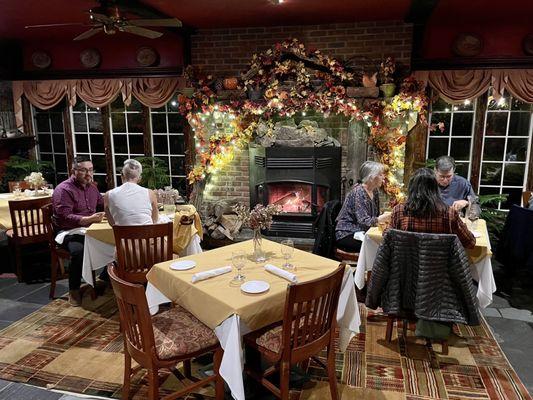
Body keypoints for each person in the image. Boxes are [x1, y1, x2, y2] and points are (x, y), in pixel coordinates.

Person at [52, 156, 104, 306]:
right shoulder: (64, 190)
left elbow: (101, 205)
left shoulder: (92, 187)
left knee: (115, 240)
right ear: (73, 170)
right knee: (78, 251)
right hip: (68, 231)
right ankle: (73, 289)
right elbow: (65, 217)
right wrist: (88, 220)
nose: (88, 174)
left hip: (89, 229)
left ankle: (105, 279)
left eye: (91, 170)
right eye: (83, 170)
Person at [390, 168, 475, 249]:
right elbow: (470, 242)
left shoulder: (399, 210)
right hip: (441, 263)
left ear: (411, 188)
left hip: (406, 263)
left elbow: (388, 237)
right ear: (435, 188)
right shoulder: (449, 213)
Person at [335, 161, 391, 252]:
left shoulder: (374, 191)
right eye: (380, 175)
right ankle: (368, 266)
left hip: (362, 231)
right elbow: (364, 222)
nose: (383, 177)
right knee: (380, 246)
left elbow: (375, 215)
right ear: (371, 177)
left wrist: (382, 218)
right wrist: (381, 219)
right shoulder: (359, 192)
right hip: (347, 233)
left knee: (386, 242)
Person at [104, 159, 158, 226]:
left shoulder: (108, 195)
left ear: (122, 176)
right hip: (147, 235)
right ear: (140, 178)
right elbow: (155, 221)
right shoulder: (150, 193)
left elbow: (112, 224)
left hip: (122, 235)